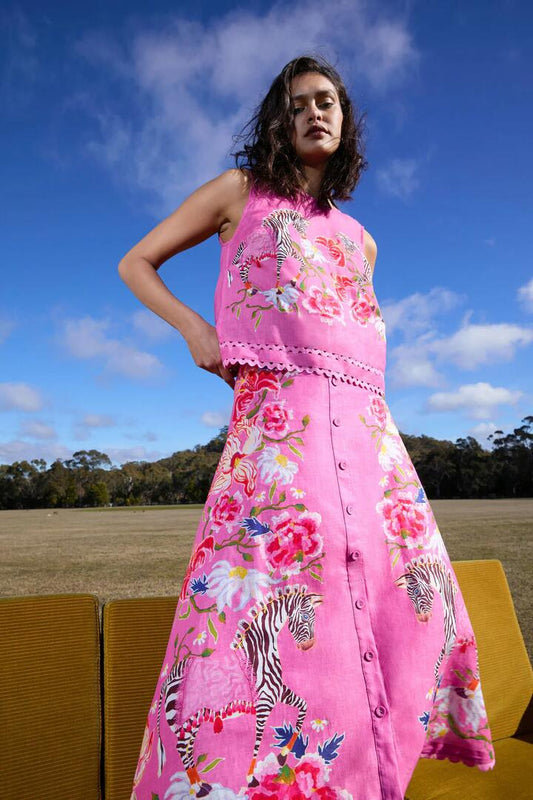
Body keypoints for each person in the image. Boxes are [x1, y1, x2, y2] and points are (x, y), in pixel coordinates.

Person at [119, 55, 495, 800]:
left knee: (410, 603)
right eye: (297, 105)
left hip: (371, 441)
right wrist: (199, 333)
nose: (314, 113)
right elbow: (138, 261)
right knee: (263, 609)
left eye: (327, 102)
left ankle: (369, 776)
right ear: (277, 123)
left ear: (344, 119)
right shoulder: (240, 194)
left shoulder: (363, 241)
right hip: (279, 437)